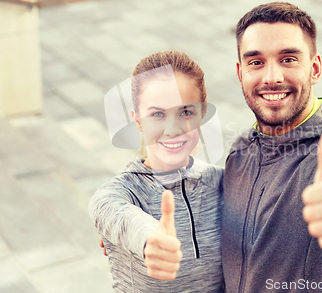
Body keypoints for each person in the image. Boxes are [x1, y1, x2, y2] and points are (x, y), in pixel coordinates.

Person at [221, 2, 322, 292]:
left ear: (315, 69)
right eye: (256, 62)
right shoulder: (240, 151)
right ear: (241, 72)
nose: (272, 77)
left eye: (289, 59)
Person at [89, 51, 224, 292]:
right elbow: (114, 213)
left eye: (185, 112)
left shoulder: (224, 182)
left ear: (202, 115)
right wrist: (151, 239)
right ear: (138, 120)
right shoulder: (117, 194)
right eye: (157, 114)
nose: (172, 129)